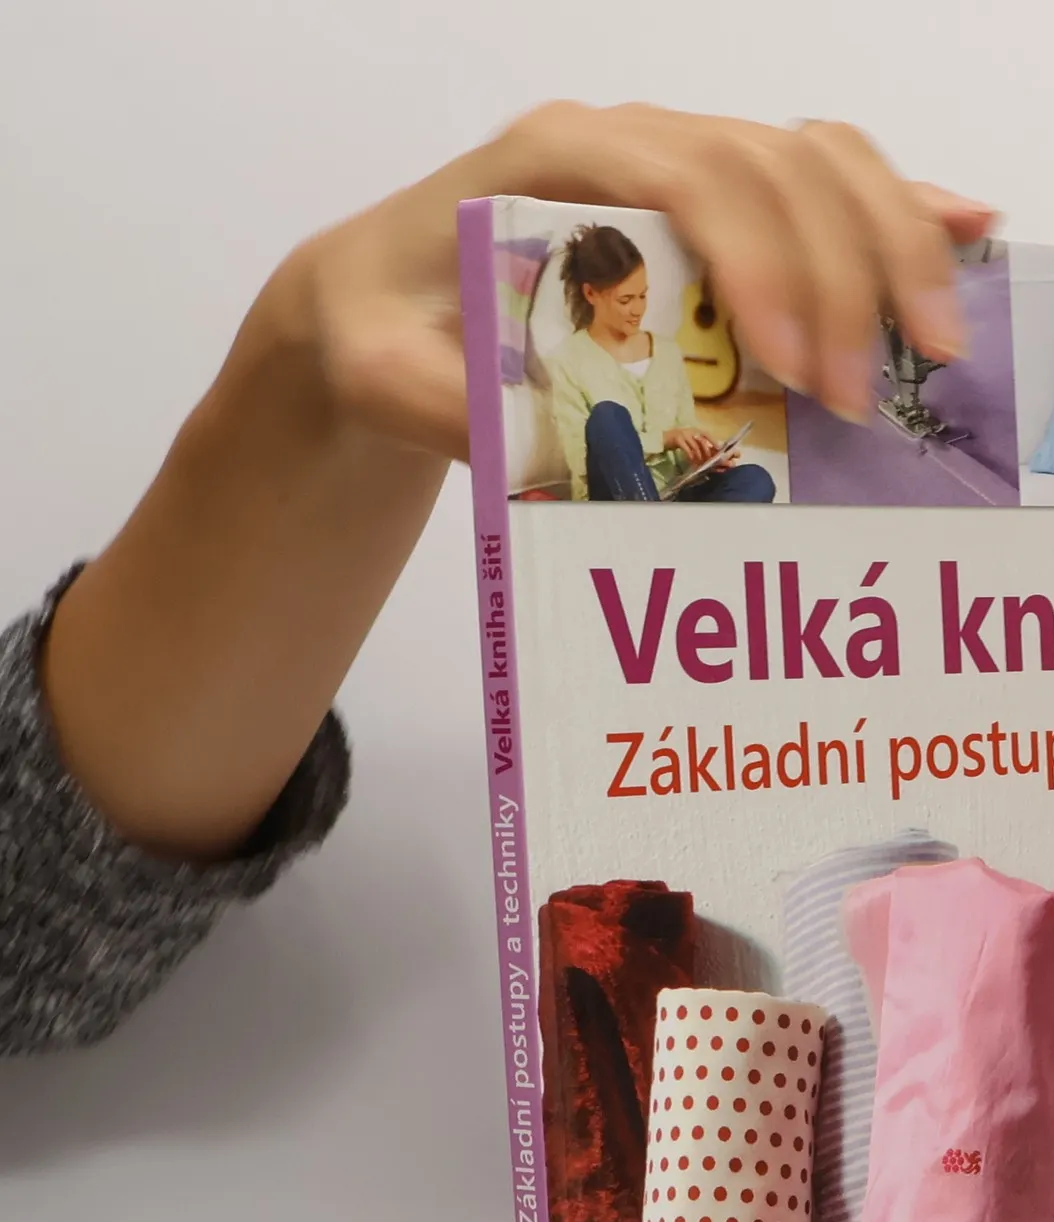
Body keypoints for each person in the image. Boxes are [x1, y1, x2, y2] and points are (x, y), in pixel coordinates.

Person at [0, 103, 992, 1056]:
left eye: (645, 302)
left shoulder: (653, 359)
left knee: (741, 480)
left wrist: (691, 449)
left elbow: (40, 900)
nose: (638, 313)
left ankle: (687, 551)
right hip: (605, 473)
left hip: (647, 487)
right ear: (593, 300)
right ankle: (659, 558)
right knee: (617, 434)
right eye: (628, 301)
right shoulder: (575, 362)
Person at [548, 223, 770, 502]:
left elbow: (685, 429)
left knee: (755, 479)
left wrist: (703, 455)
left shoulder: (667, 352)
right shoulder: (569, 360)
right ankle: (652, 521)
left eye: (643, 295)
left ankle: (664, 525)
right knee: (608, 417)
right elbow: (582, 459)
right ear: (590, 294)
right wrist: (665, 438)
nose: (638, 309)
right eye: (626, 300)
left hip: (677, 494)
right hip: (614, 502)